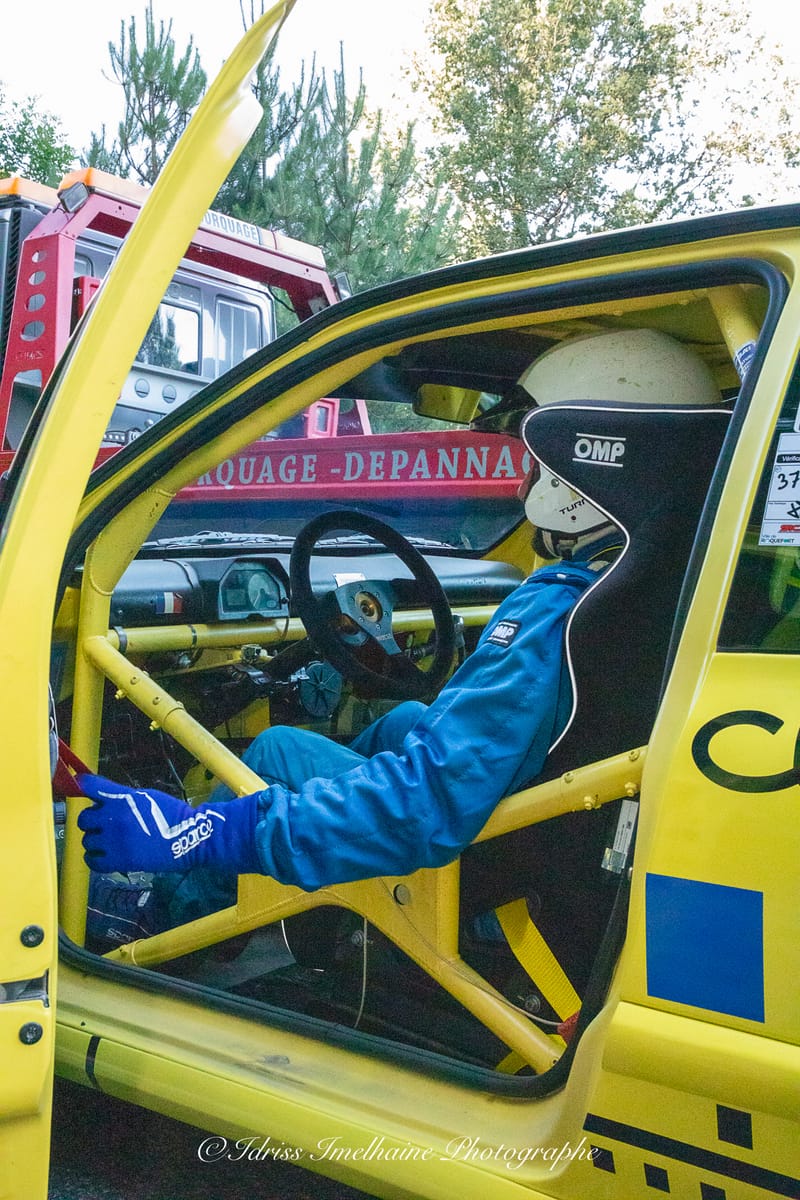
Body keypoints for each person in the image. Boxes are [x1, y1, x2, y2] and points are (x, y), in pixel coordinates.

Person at [77, 330, 722, 932]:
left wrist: (201, 832)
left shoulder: (557, 611)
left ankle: (162, 914)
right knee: (407, 719)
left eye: (535, 461)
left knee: (277, 750)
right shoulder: (669, 588)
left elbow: (422, 802)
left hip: (481, 867)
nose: (525, 479)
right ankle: (309, 889)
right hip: (559, 836)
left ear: (580, 469)